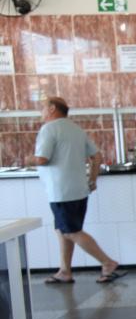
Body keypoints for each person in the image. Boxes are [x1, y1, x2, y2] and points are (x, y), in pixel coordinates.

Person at [26, 97, 124, 284]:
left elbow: (41, 159)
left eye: (43, 108)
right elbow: (96, 156)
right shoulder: (76, 129)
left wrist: (28, 159)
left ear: (52, 108)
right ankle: (65, 271)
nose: (41, 112)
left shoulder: (49, 129)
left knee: (71, 231)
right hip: (79, 189)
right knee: (61, 229)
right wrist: (92, 180)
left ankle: (107, 262)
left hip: (61, 190)